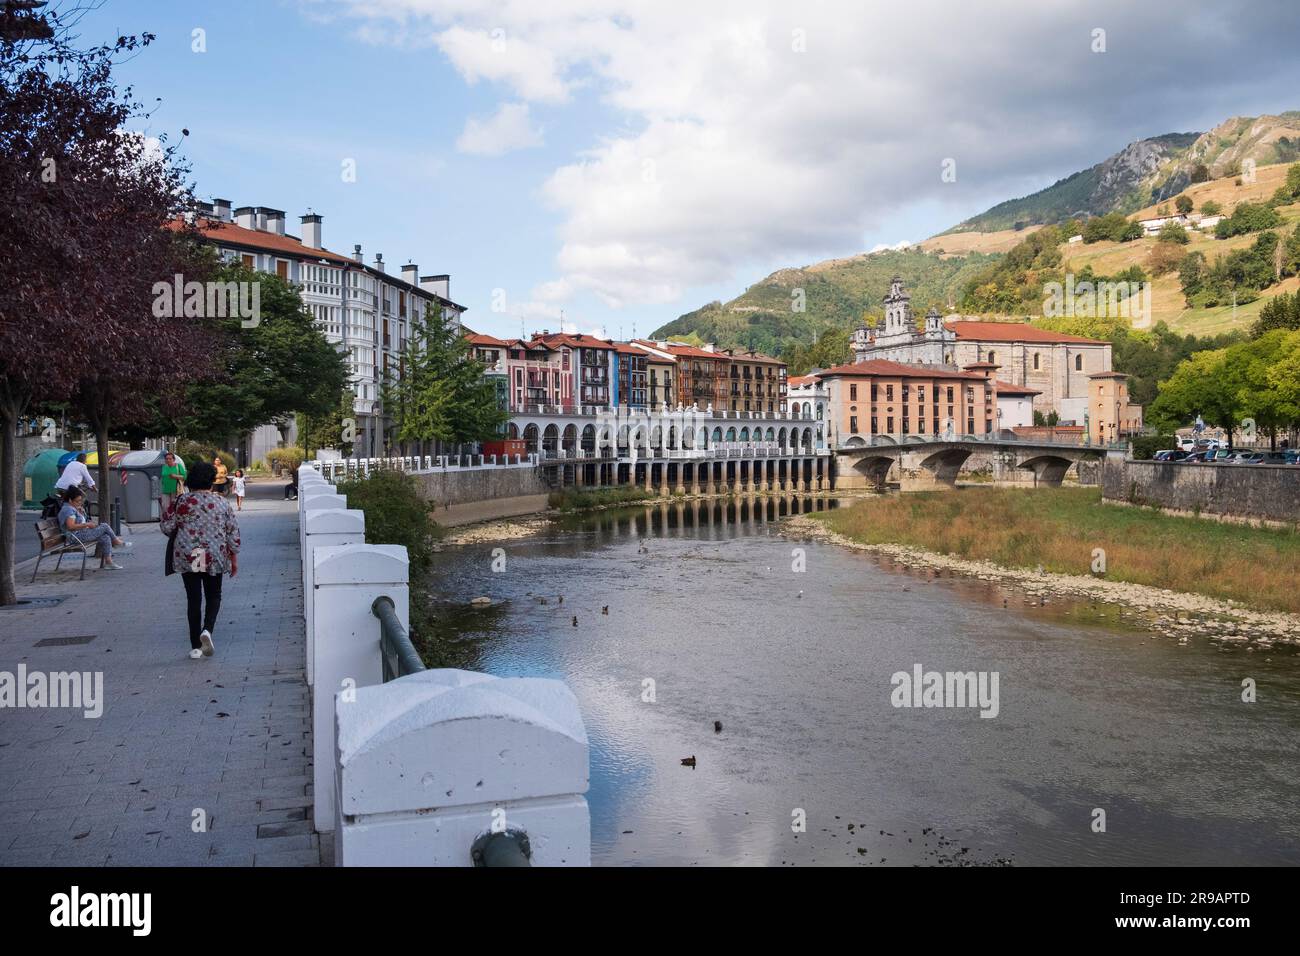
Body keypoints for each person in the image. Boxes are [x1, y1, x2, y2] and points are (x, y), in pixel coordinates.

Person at [160, 461, 240, 660]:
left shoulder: (181, 501)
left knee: (193, 599)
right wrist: (234, 557)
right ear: (212, 481)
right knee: (214, 595)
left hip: (190, 554)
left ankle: (195, 647)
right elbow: (232, 532)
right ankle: (207, 630)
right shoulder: (221, 502)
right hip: (214, 553)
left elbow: (167, 527)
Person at [58, 488, 131, 571]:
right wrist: (87, 524)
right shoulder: (68, 509)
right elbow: (71, 526)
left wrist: (82, 514)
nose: (80, 503)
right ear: (70, 500)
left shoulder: (72, 508)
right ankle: (116, 541)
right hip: (76, 537)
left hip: (80, 534)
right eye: (77, 501)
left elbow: (78, 522)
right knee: (104, 526)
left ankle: (109, 562)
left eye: (80, 501)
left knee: (105, 537)